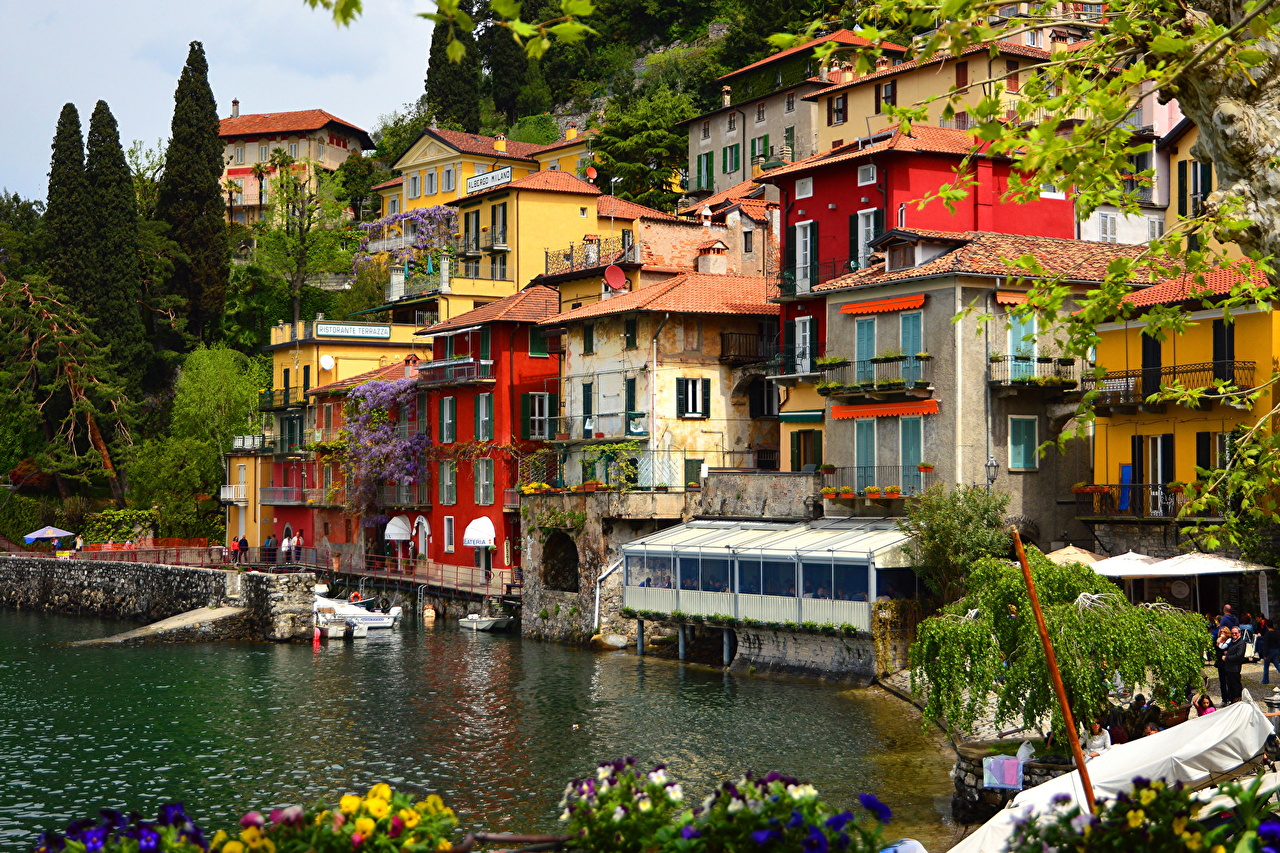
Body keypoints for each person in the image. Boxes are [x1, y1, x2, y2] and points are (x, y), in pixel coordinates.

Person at [1221, 625, 1247, 703]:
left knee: (1236, 686)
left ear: (1239, 633)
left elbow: (1239, 656)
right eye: (1232, 633)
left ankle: (1238, 701)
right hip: (1228, 667)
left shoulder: (1241, 643)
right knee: (1230, 686)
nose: (1234, 635)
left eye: (1236, 633)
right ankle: (1231, 701)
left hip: (1235, 668)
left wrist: (1227, 657)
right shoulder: (1232, 642)